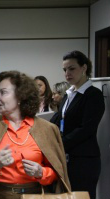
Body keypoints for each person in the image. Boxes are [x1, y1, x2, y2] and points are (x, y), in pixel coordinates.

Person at [0, 70, 70, 199]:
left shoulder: (47, 129)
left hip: (36, 195)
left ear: (20, 96)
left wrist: (41, 172)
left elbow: (57, 173)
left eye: (3, 92)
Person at [50, 50, 105, 199]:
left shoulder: (93, 94)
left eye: (72, 68)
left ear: (84, 68)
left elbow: (86, 129)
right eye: (65, 69)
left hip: (84, 160)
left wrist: (60, 144)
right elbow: (58, 119)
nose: (67, 73)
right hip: (67, 158)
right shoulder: (69, 94)